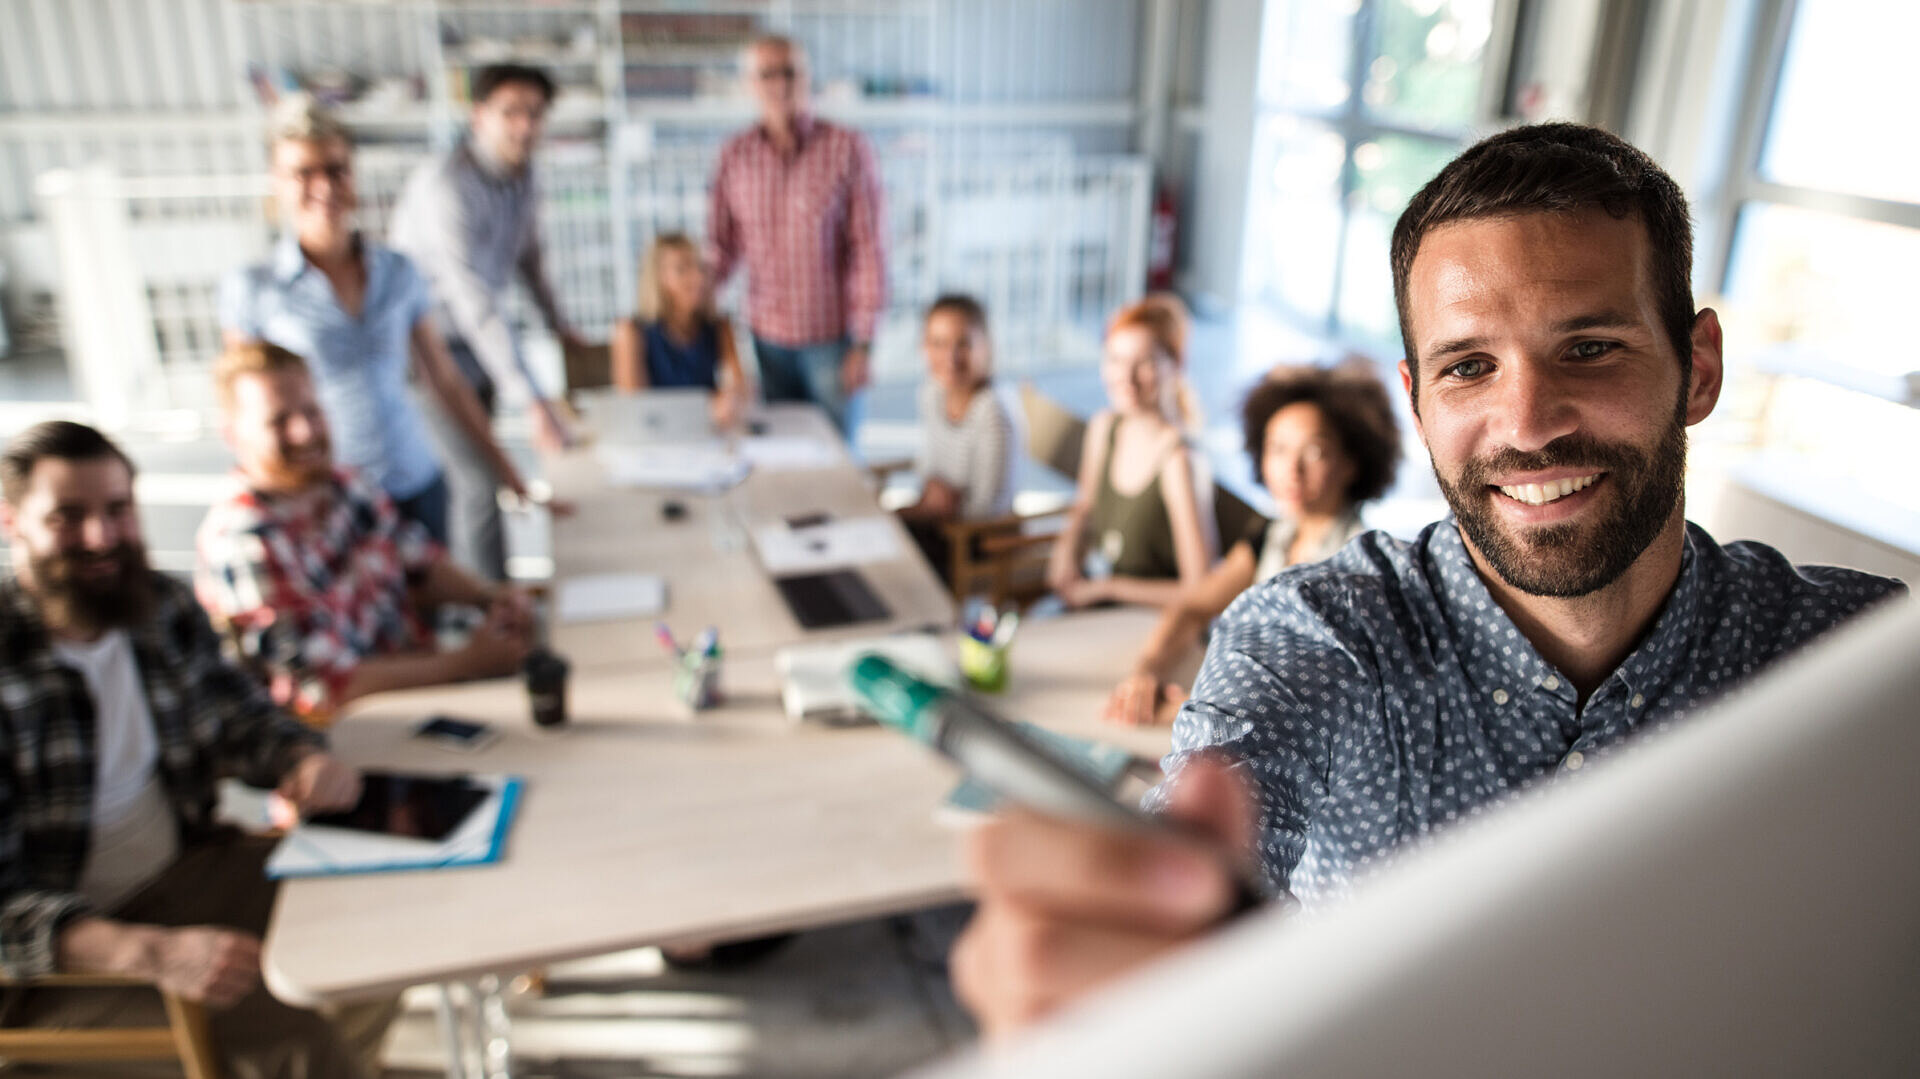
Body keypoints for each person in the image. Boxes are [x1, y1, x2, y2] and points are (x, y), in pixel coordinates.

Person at [952, 122, 1907, 1035]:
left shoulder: (1861, 667)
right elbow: (1221, 812)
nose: (1528, 423)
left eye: (1589, 348)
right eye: (1470, 367)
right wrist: (1146, 947)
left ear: (1698, 370)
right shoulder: (1315, 637)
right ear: (1417, 402)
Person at [0, 420, 388, 1077]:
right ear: (12, 520)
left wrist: (300, 759)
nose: (102, 537)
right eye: (69, 516)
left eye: (117, 510)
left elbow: (241, 718)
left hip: (184, 872)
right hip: (55, 963)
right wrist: (148, 951)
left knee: (380, 924)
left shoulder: (160, 606)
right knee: (294, 1037)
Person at [220, 95, 536, 549]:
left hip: (415, 480)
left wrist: (502, 466)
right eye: (303, 173)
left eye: (335, 169)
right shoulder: (253, 289)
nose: (324, 186)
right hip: (328, 496)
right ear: (277, 181)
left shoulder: (398, 271)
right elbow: (245, 412)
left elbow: (444, 380)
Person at [196, 342, 537, 725]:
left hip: (419, 690)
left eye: (312, 410)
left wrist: (489, 598)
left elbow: (420, 563)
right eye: (279, 420)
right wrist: (465, 663)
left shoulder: (345, 484)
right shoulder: (243, 541)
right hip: (354, 733)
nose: (305, 432)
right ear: (231, 434)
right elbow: (322, 689)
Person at [1103, 361, 1401, 726]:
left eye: (1315, 452)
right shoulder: (1271, 533)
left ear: (1351, 464)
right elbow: (1193, 607)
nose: (1291, 469)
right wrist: (1146, 672)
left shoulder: (1362, 563)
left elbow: (1325, 701)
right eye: (1277, 449)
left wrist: (1187, 714)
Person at [391, 63, 586, 580]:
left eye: (536, 114)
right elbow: (473, 300)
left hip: (476, 346)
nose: (525, 125)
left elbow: (530, 261)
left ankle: (497, 600)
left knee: (488, 480)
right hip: (429, 351)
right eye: (511, 112)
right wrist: (533, 400)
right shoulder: (445, 187)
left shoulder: (524, 178)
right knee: (479, 482)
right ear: (478, 116)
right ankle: (491, 617)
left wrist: (560, 326)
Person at [707, 34, 887, 438]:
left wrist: (865, 343)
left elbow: (869, 250)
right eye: (766, 74)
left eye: (790, 72)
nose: (780, 84)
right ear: (749, 84)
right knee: (782, 454)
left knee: (836, 457)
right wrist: (683, 306)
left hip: (832, 341)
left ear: (807, 78)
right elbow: (720, 248)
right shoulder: (734, 155)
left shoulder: (847, 148)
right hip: (766, 340)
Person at [1047, 294, 1217, 610]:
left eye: (1146, 362)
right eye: (1115, 360)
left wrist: (1107, 588)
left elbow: (1200, 590)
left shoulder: (1180, 460)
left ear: (1177, 365)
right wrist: (1065, 550)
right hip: (1097, 603)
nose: (1126, 377)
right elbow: (1084, 506)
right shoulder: (1104, 427)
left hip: (1152, 624)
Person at [897, 294, 1016, 584]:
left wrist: (940, 505)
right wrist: (931, 493)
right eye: (938, 343)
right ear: (924, 347)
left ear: (985, 347)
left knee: (898, 563)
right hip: (938, 519)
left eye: (963, 343)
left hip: (977, 537)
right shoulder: (932, 392)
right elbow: (928, 464)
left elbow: (987, 506)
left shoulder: (992, 411)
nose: (950, 357)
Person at [611, 232, 749, 427]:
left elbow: (737, 384)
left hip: (706, 435)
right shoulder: (631, 332)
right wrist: (706, 409)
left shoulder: (718, 326)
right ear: (658, 278)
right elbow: (635, 407)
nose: (698, 277)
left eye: (700, 267)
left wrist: (732, 398)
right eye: (682, 269)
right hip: (658, 438)